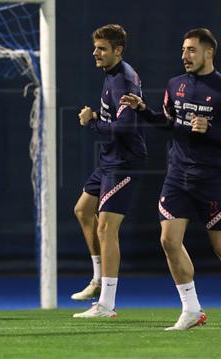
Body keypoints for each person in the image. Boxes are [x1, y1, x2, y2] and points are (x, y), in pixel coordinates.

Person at [121, 28, 221, 330]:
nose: (184, 56)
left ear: (208, 53)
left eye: (191, 50)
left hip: (212, 180)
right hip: (177, 176)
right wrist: (143, 110)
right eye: (183, 50)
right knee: (169, 240)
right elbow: (168, 123)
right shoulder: (175, 85)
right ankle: (191, 309)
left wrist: (211, 130)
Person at [71, 25, 147, 318]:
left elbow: (125, 129)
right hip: (109, 162)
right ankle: (98, 277)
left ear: (118, 50)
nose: (95, 53)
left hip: (124, 162)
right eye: (95, 47)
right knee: (82, 210)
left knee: (106, 227)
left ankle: (106, 304)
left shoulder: (123, 81)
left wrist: (91, 121)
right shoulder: (113, 76)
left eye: (102, 48)